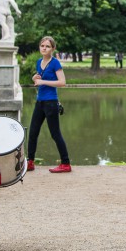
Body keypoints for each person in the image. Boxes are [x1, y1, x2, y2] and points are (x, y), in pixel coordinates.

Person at [27, 36, 72, 173]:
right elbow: (39, 77)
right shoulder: (39, 62)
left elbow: (62, 82)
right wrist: (35, 78)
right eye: (42, 46)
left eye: (47, 46)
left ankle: (66, 163)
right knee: (33, 132)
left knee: (55, 134)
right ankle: (30, 162)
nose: (44, 48)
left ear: (53, 48)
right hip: (40, 102)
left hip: (51, 102)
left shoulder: (55, 63)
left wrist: (43, 82)